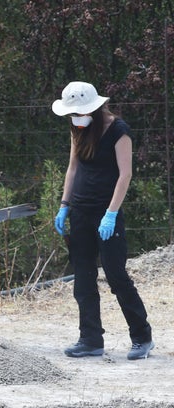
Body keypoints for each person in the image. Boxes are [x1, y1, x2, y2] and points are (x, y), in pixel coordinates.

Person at [51, 81, 154, 360]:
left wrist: (111, 213)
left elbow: (125, 175)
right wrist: (64, 206)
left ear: (94, 108)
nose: (75, 118)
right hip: (80, 211)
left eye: (79, 113)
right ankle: (90, 339)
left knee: (115, 274)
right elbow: (72, 168)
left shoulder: (118, 130)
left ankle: (142, 336)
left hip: (107, 212)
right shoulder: (77, 127)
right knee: (83, 277)